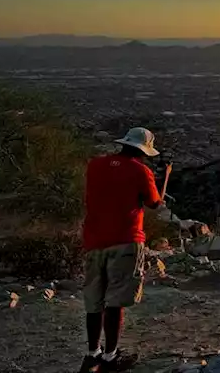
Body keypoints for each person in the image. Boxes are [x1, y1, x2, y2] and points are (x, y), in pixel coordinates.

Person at [79, 127, 165, 373]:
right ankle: (110, 357)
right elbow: (154, 203)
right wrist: (163, 177)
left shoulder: (95, 165)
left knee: (94, 301)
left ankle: (92, 353)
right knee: (115, 301)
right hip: (126, 240)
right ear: (144, 150)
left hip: (94, 240)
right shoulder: (141, 171)